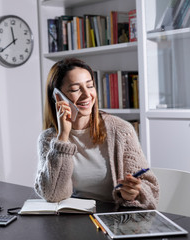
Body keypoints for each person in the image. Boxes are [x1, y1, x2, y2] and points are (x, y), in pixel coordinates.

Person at [34, 58, 159, 209]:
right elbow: (53, 195)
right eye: (75, 89)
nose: (87, 95)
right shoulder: (49, 139)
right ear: (57, 96)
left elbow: (150, 188)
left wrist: (133, 193)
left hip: (113, 219)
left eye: (90, 86)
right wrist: (63, 137)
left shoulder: (121, 130)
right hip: (72, 219)